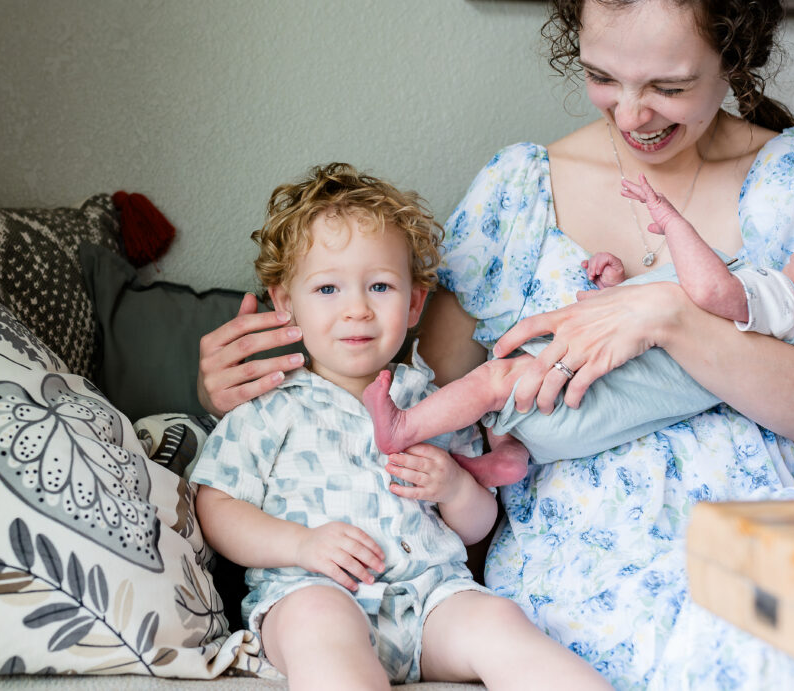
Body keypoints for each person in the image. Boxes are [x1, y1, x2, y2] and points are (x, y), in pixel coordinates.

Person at [197, 1, 794, 687]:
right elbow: (430, 387)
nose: (631, 115)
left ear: (734, 54)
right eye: (603, 77)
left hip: (762, 524)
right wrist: (253, 388)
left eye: (670, 86)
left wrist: (668, 315)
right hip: (585, 556)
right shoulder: (520, 191)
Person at [190, 163, 612, 690]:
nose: (357, 310)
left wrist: (456, 487)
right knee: (319, 626)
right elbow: (216, 506)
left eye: (381, 286)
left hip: (431, 599)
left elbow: (479, 524)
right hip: (312, 590)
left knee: (500, 622)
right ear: (284, 303)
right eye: (327, 289)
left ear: (414, 303)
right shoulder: (270, 407)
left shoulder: (437, 404)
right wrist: (300, 546)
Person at [361, 172, 794, 483]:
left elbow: (703, 294)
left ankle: (405, 427)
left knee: (495, 382)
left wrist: (671, 220)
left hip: (575, 399)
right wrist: (618, 288)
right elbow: (655, 329)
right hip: (590, 421)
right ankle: (505, 457)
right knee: (512, 405)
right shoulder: (770, 322)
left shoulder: (777, 303)